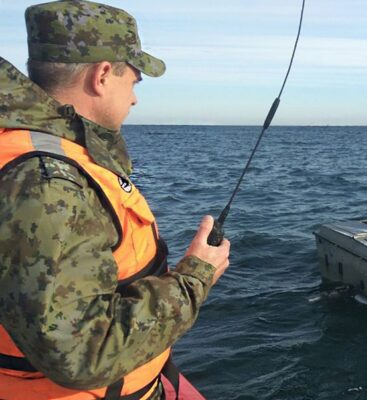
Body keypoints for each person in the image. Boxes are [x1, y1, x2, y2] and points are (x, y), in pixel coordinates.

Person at [0, 1, 230, 399]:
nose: (136, 99)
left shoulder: (36, 151)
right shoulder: (47, 183)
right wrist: (194, 278)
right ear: (103, 74)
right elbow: (80, 353)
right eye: (135, 81)